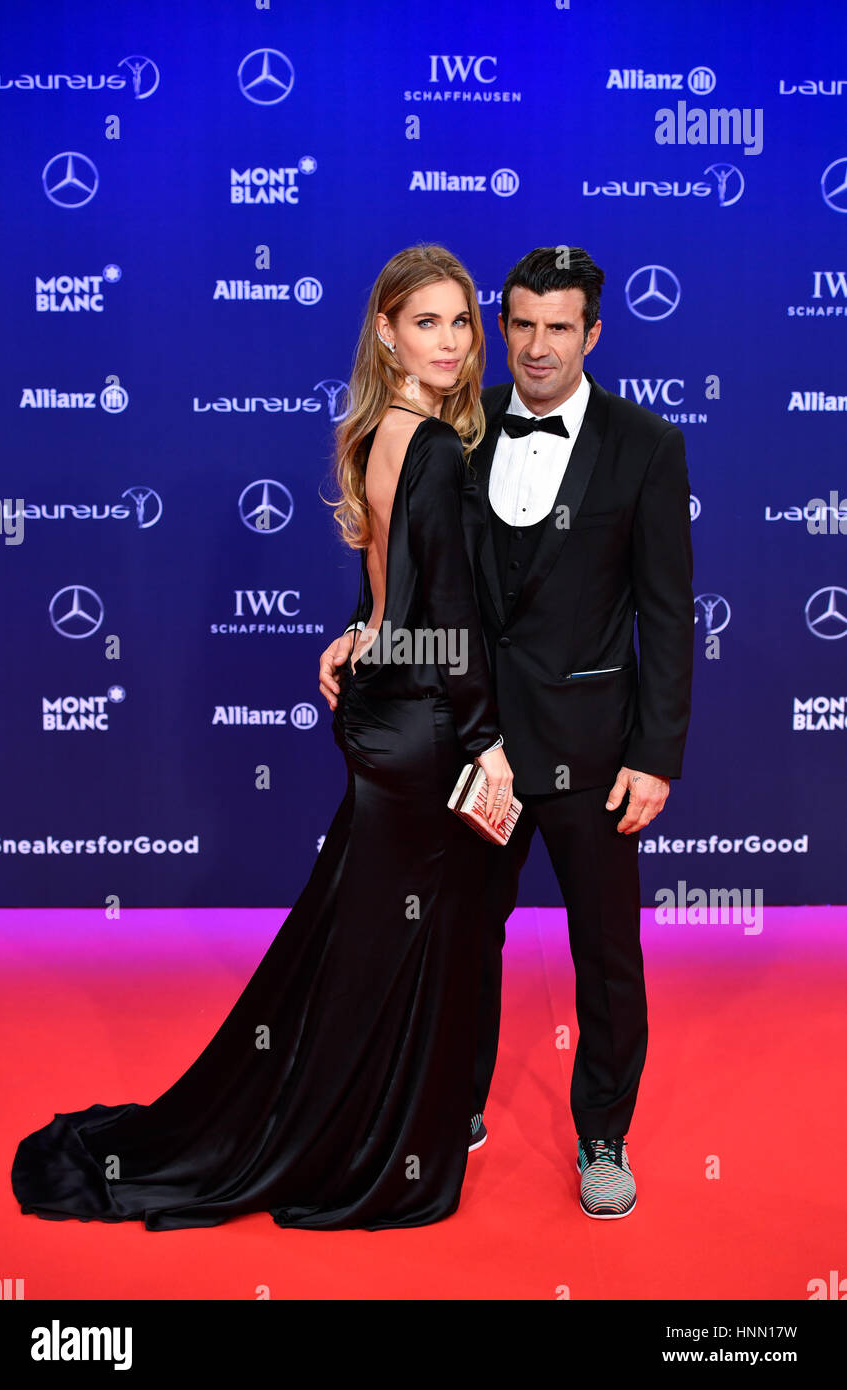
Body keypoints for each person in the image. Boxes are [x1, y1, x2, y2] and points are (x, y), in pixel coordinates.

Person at [11, 244, 514, 1232]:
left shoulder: (379, 432)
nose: (451, 341)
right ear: (385, 332)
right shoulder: (434, 447)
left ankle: (340, 1123)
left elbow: (389, 593)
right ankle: (348, 1144)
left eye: (461, 321)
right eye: (426, 322)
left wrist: (362, 634)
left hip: (382, 709)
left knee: (360, 940)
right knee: (395, 946)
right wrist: (486, 738)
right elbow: (447, 609)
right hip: (422, 726)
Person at [320, 246, 694, 1219]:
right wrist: (363, 627)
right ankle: (458, 1102)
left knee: (604, 951)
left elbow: (667, 612)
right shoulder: (461, 424)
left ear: (592, 333)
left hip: (592, 749)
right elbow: (412, 562)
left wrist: (654, 755)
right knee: (460, 935)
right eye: (520, 323)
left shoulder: (645, 444)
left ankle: (602, 1134)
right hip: (470, 746)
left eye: (558, 327)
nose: (535, 345)